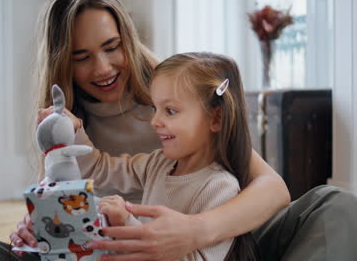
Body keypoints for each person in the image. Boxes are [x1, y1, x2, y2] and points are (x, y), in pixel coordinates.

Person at [0, 0, 357, 260]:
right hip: (108, 252)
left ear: (127, 37)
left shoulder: (179, 94)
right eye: (82, 56)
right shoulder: (65, 129)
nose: (103, 68)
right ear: (62, 61)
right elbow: (75, 190)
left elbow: (272, 189)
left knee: (337, 206)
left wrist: (192, 232)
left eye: (111, 47)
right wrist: (34, 226)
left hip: (214, 244)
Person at [82, 51, 260, 260]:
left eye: (170, 111)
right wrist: (73, 131)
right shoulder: (158, 163)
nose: (155, 121)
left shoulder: (219, 187)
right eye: (155, 108)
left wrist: (127, 222)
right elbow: (102, 169)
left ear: (216, 118)